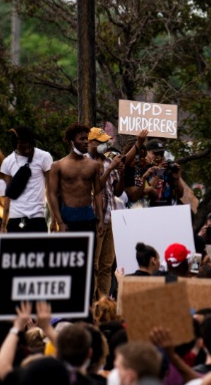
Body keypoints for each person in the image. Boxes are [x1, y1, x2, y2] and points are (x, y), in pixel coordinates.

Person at [87, 127, 139, 299]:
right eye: (101, 142)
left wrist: (121, 173)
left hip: (111, 216)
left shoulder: (109, 161)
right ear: (91, 143)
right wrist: (110, 169)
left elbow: (116, 191)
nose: (105, 145)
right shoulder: (85, 162)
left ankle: (103, 301)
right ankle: (92, 303)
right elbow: (96, 189)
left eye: (106, 142)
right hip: (95, 218)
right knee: (93, 264)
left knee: (107, 264)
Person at [47, 123, 102, 234]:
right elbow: (51, 194)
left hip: (88, 216)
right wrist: (59, 222)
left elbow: (97, 193)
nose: (86, 142)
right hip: (68, 216)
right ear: (72, 142)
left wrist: (100, 219)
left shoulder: (94, 165)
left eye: (87, 138)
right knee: (70, 251)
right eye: (82, 139)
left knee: (89, 251)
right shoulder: (58, 166)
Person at [1, 126, 54, 233]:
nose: (23, 145)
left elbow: (50, 191)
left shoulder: (44, 157)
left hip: (37, 217)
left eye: (26, 142)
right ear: (15, 143)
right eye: (20, 142)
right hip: (15, 218)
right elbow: (7, 197)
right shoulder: (7, 162)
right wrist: (3, 225)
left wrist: (54, 219)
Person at [124, 139, 184, 207]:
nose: (159, 156)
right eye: (156, 153)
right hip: (149, 209)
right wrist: (158, 173)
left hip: (167, 209)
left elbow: (180, 194)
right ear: (147, 152)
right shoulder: (142, 169)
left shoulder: (168, 169)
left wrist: (177, 178)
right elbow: (142, 191)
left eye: (161, 154)